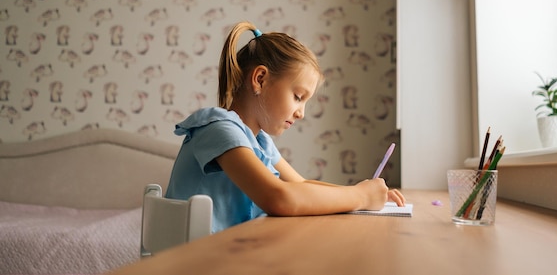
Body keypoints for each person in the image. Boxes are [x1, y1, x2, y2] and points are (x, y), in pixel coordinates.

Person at [166, 20, 405, 233]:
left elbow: (300, 184)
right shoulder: (218, 130)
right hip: (192, 262)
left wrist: (363, 191)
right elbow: (278, 197)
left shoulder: (258, 142)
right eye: (298, 97)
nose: (301, 113)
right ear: (260, 79)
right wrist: (359, 197)